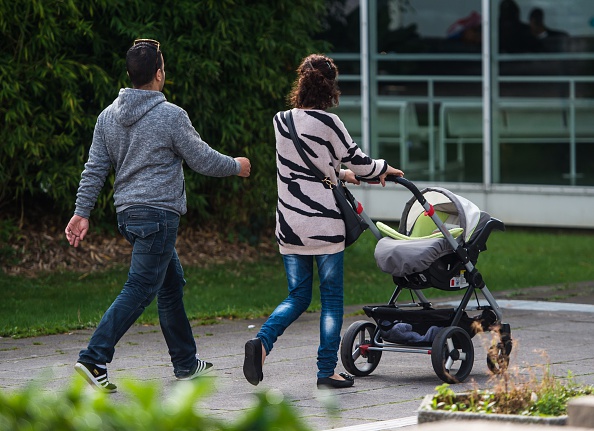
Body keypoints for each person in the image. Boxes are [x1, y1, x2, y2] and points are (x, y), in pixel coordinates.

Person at [65, 38, 251, 393]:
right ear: (159, 73)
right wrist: (236, 166)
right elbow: (202, 159)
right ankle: (93, 358)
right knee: (139, 288)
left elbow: (94, 169)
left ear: (130, 74)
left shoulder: (108, 116)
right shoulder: (170, 115)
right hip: (158, 216)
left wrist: (82, 212)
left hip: (128, 216)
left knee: (170, 284)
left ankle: (185, 362)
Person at [242, 53, 404, 390]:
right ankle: (325, 371)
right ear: (330, 87)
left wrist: (339, 174)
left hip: (289, 224)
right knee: (331, 300)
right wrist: (383, 169)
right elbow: (362, 163)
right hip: (324, 226)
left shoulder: (280, 121)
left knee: (297, 297)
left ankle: (262, 343)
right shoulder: (330, 124)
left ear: (301, 82)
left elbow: (305, 166)